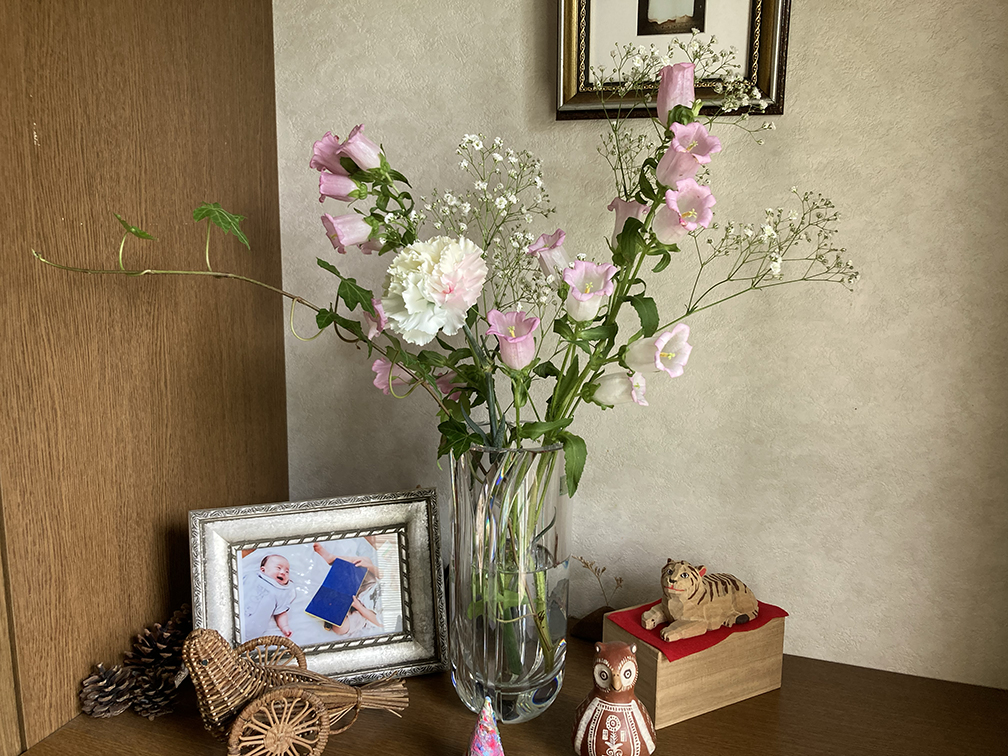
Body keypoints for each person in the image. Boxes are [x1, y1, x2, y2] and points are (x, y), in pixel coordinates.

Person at [313, 542, 382, 636]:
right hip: (368, 587)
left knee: (340, 628)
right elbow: (382, 574)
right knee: (365, 560)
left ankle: (340, 610)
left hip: (365, 613)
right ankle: (332, 558)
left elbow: (378, 621)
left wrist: (358, 606)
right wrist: (369, 566)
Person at [241, 553, 296, 639]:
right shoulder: (251, 576)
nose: (283, 572)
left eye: (287, 571)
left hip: (252, 630)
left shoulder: (282, 592)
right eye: (278, 568)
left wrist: (285, 627)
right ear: (263, 570)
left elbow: (281, 613)